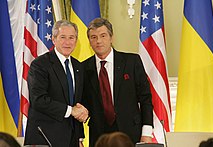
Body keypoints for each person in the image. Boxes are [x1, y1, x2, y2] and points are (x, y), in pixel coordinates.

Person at [82, 17, 153, 147]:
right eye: (93, 37)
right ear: (89, 41)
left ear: (111, 37)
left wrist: (147, 132)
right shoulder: (83, 68)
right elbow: (82, 104)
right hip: (98, 137)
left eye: (103, 36)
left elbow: (145, 99)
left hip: (131, 133)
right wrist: (80, 138)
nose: (98, 41)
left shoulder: (131, 62)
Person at [24, 20, 88, 147]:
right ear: (54, 39)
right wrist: (71, 111)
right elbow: (38, 100)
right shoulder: (40, 64)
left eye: (72, 38)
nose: (67, 42)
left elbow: (77, 102)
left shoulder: (78, 66)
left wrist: (79, 137)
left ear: (76, 40)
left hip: (72, 139)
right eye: (62, 37)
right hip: (45, 138)